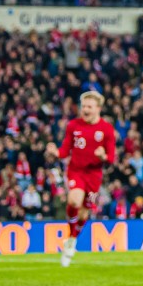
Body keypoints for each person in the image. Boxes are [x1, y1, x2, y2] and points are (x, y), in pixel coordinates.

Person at [46, 90, 116, 267]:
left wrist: (102, 156)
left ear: (98, 108)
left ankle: (71, 239)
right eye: (83, 106)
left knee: (85, 212)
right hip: (76, 171)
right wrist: (55, 153)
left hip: (94, 175)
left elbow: (111, 158)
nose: (85, 109)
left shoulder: (106, 129)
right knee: (74, 201)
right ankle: (71, 236)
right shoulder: (73, 125)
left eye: (89, 106)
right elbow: (64, 150)